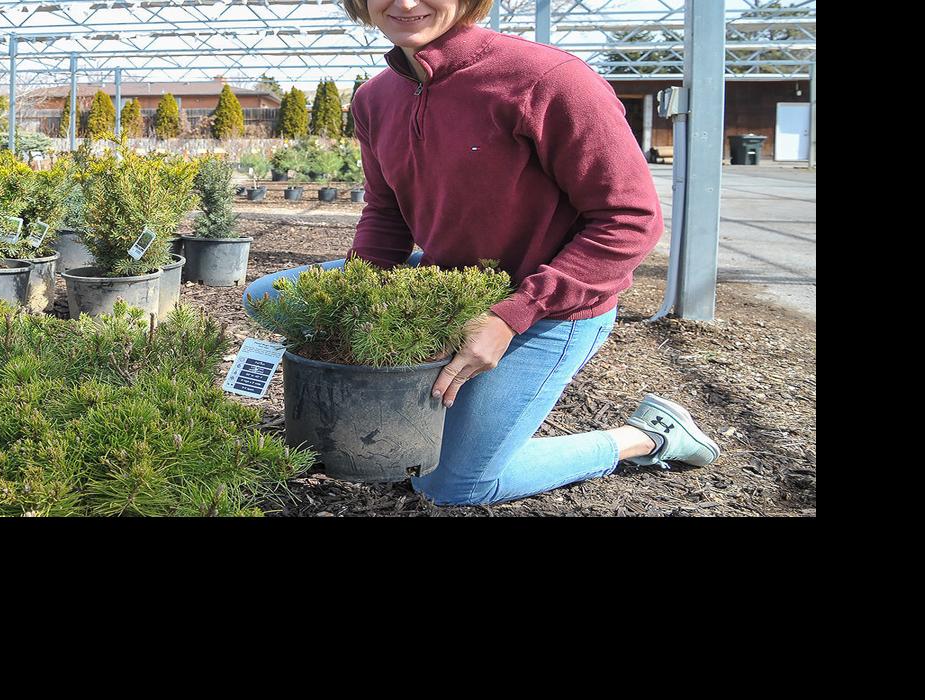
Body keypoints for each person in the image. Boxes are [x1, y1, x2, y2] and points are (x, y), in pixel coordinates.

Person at [242, 0, 721, 506]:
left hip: (548, 307)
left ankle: (647, 437)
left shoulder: (549, 81)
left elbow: (629, 220)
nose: (405, 3)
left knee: (451, 484)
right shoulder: (375, 98)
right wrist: (357, 304)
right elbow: (386, 213)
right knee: (269, 297)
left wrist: (512, 316)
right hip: (450, 288)